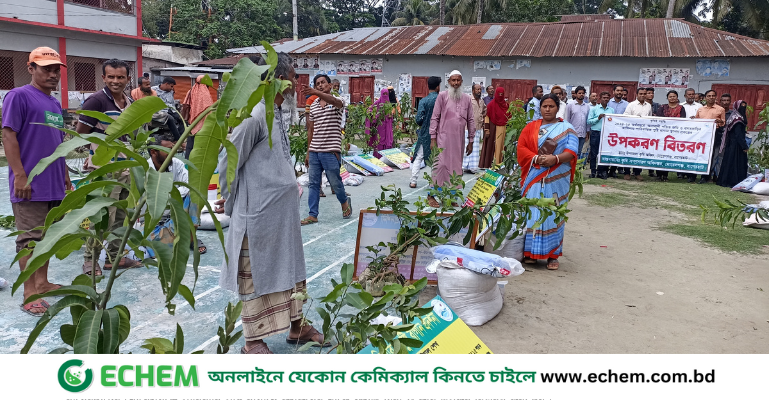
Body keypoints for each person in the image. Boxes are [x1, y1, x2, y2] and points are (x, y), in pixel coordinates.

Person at [215, 53, 326, 354]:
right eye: (293, 76)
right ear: (276, 79)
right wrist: (233, 204)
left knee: (291, 269)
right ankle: (253, 341)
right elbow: (228, 161)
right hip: (258, 215)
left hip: (282, 217)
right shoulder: (253, 115)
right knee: (257, 276)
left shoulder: (276, 112)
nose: (296, 82)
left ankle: (296, 326)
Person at [2, 47, 71, 316]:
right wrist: (20, 174)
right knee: (30, 240)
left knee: (49, 238)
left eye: (56, 70)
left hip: (54, 182)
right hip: (29, 183)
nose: (53, 74)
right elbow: (9, 136)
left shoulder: (54, 103)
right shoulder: (18, 96)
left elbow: (58, 143)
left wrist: (64, 175)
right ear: (31, 68)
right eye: (46, 69)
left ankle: (42, 284)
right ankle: (29, 293)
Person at [77, 59, 141, 276]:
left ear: (127, 79)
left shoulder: (129, 102)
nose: (116, 81)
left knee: (122, 215)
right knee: (103, 216)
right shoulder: (96, 101)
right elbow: (81, 133)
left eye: (120, 77)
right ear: (103, 78)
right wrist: (95, 153)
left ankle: (115, 258)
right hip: (106, 169)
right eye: (111, 77)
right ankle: (90, 260)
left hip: (127, 168)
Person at [517, 93, 578, 271]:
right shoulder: (531, 127)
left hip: (557, 178)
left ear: (557, 108)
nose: (548, 109)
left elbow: (572, 152)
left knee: (553, 213)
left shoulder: (567, 128)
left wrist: (556, 159)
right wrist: (535, 158)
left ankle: (553, 254)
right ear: (540, 108)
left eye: (551, 106)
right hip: (534, 175)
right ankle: (531, 254)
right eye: (545, 106)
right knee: (533, 212)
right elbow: (521, 148)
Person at [301, 74, 351, 225]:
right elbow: (311, 129)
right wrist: (308, 152)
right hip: (315, 151)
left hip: (331, 151)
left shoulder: (338, 101)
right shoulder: (314, 105)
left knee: (335, 183)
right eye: (317, 84)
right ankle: (313, 214)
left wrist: (316, 93)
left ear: (330, 86)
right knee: (313, 184)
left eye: (323, 83)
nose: (320, 85)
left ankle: (344, 202)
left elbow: (334, 101)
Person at [145, 136, 206, 254]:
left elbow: (190, 184)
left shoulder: (176, 163)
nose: (172, 153)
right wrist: (176, 194)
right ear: (154, 152)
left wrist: (172, 194)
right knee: (158, 249)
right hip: (155, 228)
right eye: (167, 150)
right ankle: (185, 239)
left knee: (195, 193)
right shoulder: (145, 170)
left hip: (175, 217)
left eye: (173, 149)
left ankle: (192, 238)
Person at [428, 70, 475, 208]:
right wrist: (433, 138)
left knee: (455, 168)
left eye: (458, 80)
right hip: (442, 139)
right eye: (453, 80)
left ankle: (450, 197)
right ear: (448, 82)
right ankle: (432, 195)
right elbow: (435, 117)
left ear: (461, 82)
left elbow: (471, 120)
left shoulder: (467, 98)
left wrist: (471, 140)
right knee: (440, 166)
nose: (455, 83)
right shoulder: (442, 96)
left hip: (458, 141)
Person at [411, 77, 441, 188]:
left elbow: (418, 119)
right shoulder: (441, 100)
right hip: (439, 133)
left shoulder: (423, 101)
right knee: (436, 159)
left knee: (419, 157)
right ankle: (433, 182)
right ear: (438, 86)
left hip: (425, 133)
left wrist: (425, 123)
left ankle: (413, 181)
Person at [653, 90, 687, 182]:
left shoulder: (681, 108)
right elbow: (659, 120)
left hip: (675, 135)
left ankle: (665, 175)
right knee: (660, 154)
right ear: (667, 98)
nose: (672, 98)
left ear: (677, 98)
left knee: (669, 155)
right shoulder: (662, 107)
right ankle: (659, 175)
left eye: (674, 96)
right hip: (662, 135)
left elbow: (683, 120)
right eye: (670, 96)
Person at [693, 90, 726, 183]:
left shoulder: (720, 109)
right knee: (700, 154)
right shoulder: (700, 109)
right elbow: (696, 121)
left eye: (713, 96)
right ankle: (693, 175)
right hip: (701, 136)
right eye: (709, 96)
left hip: (714, 134)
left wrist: (719, 122)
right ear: (705, 98)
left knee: (711, 156)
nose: (711, 97)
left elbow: (723, 122)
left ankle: (706, 176)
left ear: (716, 97)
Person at [717, 100, 749, 188]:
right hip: (736, 145)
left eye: (744, 106)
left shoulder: (734, 117)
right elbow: (738, 135)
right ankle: (733, 181)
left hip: (731, 144)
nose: (743, 108)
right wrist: (744, 146)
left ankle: (725, 180)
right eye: (741, 106)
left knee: (729, 162)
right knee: (735, 163)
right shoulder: (737, 119)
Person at [622, 87, 652, 181]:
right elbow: (625, 117)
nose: (642, 95)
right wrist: (636, 118)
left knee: (640, 153)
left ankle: (637, 172)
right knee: (629, 152)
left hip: (643, 134)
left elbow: (650, 118)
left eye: (644, 94)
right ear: (637, 94)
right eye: (641, 94)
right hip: (632, 133)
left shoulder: (649, 106)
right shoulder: (631, 105)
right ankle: (627, 172)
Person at [181, 75, 214, 158]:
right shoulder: (205, 92)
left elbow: (186, 104)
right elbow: (209, 107)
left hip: (192, 122)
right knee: (202, 145)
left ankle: (188, 161)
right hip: (204, 123)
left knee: (191, 143)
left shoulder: (191, 90)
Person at [586, 91, 614, 179]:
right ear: (600, 99)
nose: (605, 99)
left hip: (607, 134)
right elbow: (589, 121)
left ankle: (601, 171)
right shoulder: (594, 109)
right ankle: (593, 171)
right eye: (604, 97)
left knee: (604, 153)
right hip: (596, 133)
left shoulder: (611, 110)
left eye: (607, 98)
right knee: (594, 153)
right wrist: (598, 118)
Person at [483, 86, 510, 167]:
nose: (500, 96)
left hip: (505, 129)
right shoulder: (491, 105)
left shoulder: (506, 105)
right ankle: (494, 164)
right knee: (495, 147)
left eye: (502, 94)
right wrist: (487, 129)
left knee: (503, 147)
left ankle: (501, 164)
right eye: (499, 94)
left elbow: (510, 116)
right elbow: (487, 116)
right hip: (494, 129)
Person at [564, 86, 590, 158]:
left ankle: (576, 168)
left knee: (579, 152)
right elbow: (567, 119)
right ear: (575, 94)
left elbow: (587, 120)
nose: (581, 94)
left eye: (583, 93)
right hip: (572, 133)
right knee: (571, 151)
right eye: (579, 93)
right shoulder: (570, 105)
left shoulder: (587, 106)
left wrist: (587, 132)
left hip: (582, 133)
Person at [645, 88, 661, 178]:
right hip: (643, 131)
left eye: (652, 93)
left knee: (653, 150)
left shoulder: (657, 105)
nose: (651, 95)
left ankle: (651, 171)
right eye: (649, 93)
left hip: (654, 131)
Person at [470, 84, 488, 168]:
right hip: (468, 128)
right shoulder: (469, 100)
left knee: (476, 147)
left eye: (480, 89)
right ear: (473, 90)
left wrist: (481, 119)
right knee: (467, 146)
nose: (479, 91)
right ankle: (465, 166)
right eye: (477, 89)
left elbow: (485, 111)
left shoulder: (481, 101)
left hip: (478, 127)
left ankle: (473, 167)